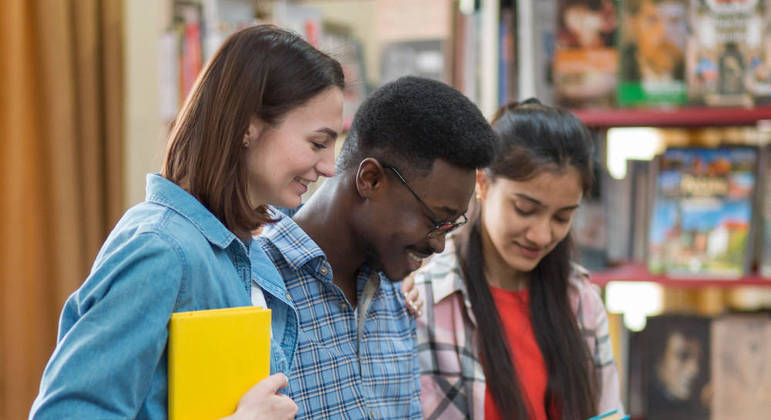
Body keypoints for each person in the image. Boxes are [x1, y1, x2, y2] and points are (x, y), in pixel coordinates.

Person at [30, 25, 345, 419]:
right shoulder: (160, 248)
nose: (329, 167)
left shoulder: (242, 249)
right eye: (317, 143)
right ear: (249, 126)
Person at [256, 76, 497, 419]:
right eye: (435, 220)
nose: (439, 244)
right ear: (370, 180)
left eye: (452, 226)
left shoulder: (396, 296)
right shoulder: (255, 286)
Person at [415, 99, 624, 419]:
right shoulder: (426, 299)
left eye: (562, 218)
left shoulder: (581, 301)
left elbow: (606, 411)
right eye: (525, 210)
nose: (541, 235)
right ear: (482, 183)